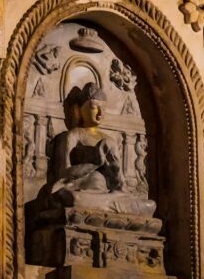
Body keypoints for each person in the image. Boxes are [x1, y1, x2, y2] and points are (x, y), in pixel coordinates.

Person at [37, 82, 155, 216]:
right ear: (79, 109)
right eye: (94, 107)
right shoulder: (74, 135)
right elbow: (63, 174)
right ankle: (107, 207)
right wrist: (95, 161)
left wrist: (118, 183)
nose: (100, 113)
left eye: (103, 109)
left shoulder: (109, 140)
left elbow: (117, 179)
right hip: (81, 190)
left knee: (149, 205)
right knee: (73, 199)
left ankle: (108, 205)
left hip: (108, 194)